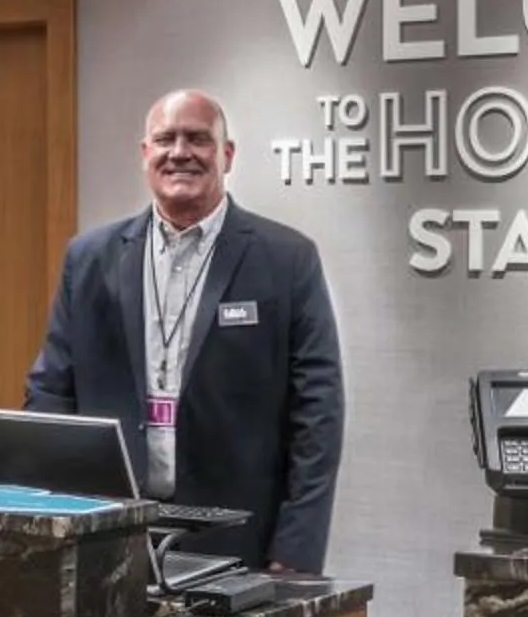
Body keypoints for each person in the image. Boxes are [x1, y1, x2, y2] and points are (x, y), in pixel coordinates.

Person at [24, 88, 343, 573]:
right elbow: (50, 391)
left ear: (227, 155)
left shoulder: (287, 259)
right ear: (145, 154)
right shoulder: (89, 258)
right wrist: (49, 511)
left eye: (198, 139)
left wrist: (297, 544)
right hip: (107, 530)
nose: (180, 153)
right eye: (165, 139)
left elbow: (317, 414)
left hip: (237, 536)